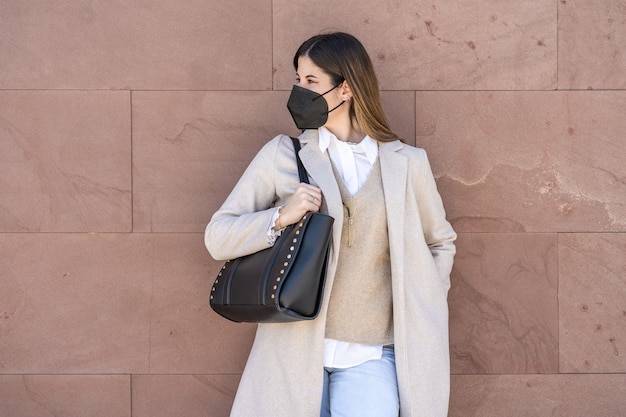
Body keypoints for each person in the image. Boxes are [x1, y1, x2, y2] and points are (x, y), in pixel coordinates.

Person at [205, 32, 456, 417]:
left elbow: (440, 242)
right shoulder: (283, 155)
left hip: (373, 354)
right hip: (294, 351)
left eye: (311, 81)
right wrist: (279, 216)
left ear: (346, 89)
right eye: (297, 79)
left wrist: (425, 300)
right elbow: (218, 236)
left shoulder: (407, 163)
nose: (298, 90)